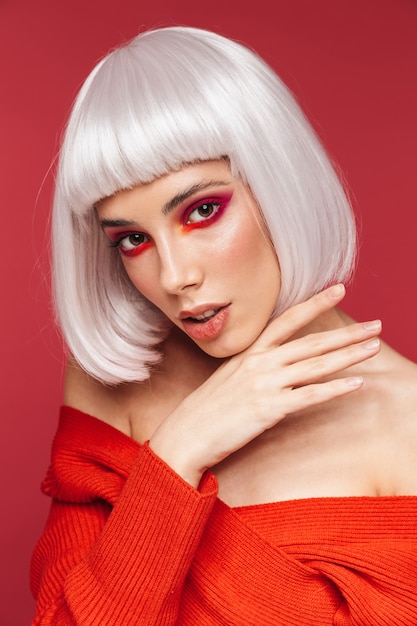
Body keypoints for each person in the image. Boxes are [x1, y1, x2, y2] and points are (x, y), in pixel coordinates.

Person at [30, 26, 417, 625]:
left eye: (201, 211)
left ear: (278, 182)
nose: (175, 275)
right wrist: (181, 450)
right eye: (132, 240)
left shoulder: (407, 424)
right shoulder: (116, 382)